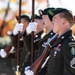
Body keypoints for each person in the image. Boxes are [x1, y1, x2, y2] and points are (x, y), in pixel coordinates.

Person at [24, 8, 75, 75]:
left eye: (54, 20)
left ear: (63, 22)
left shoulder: (69, 44)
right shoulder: (56, 41)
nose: (52, 22)